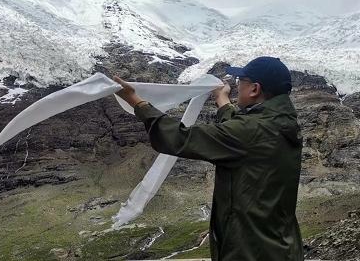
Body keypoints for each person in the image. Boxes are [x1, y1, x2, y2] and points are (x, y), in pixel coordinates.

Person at [113, 56, 303, 261]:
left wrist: (136, 101)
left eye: (241, 82)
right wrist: (222, 100)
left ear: (254, 89)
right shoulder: (282, 124)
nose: (238, 86)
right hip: (282, 248)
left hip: (249, 252)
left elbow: (179, 138)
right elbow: (239, 131)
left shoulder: (250, 132)